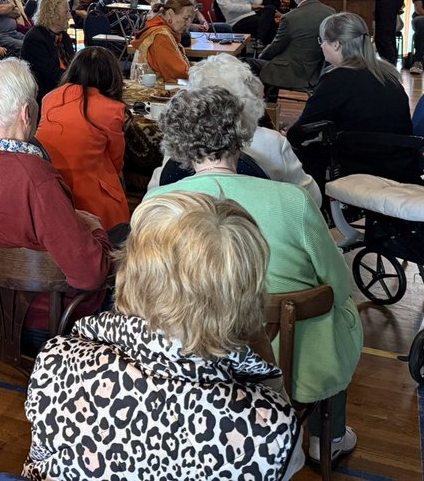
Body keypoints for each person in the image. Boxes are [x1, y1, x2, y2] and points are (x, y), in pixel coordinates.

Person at [24, 189, 300, 481]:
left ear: (129, 273)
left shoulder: (57, 362)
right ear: (247, 297)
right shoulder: (272, 428)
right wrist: (267, 370)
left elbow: (41, 463)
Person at [151, 86, 362, 465]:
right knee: (339, 309)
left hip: (191, 354)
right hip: (291, 360)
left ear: (178, 142)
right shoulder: (292, 201)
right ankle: (324, 439)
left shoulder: (155, 205)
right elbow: (339, 285)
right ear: (241, 133)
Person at [0, 59, 116, 337]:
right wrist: (94, 229)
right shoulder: (34, 178)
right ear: (26, 113)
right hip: (48, 320)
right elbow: (90, 275)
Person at [154, 53, 321, 207]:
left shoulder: (185, 140)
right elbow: (312, 198)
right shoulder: (273, 142)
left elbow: (157, 189)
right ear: (248, 96)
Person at [287, 12, 412, 180]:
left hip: (356, 169)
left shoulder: (337, 79)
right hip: (398, 165)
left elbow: (299, 133)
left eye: (322, 41)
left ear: (337, 44)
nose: (321, 46)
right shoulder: (389, 75)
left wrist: (286, 133)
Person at [37, 46, 129, 227]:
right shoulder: (112, 110)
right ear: (112, 76)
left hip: (48, 190)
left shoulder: (50, 98)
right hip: (92, 202)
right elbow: (116, 161)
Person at [251, 0, 335, 94]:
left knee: (246, 63)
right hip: (319, 70)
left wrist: (260, 56)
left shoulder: (290, 18)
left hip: (294, 73)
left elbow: (276, 47)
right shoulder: (331, 12)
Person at [19, 0, 76, 102]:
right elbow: (50, 75)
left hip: (64, 85)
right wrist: (78, 79)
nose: (70, 16)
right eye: (66, 12)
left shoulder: (63, 35)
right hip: (45, 94)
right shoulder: (35, 38)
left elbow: (72, 63)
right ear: (53, 15)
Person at [129, 0, 193, 83]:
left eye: (191, 19)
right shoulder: (161, 36)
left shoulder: (159, 30)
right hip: (155, 92)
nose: (188, 24)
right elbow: (178, 73)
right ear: (170, 14)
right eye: (186, 18)